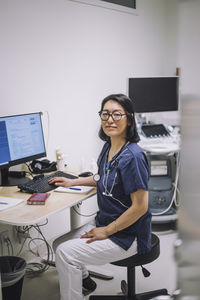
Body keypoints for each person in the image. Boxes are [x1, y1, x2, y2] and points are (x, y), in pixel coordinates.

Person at [48, 93, 151, 300]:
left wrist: (107, 231)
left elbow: (140, 207)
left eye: (116, 114)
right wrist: (72, 182)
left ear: (129, 118)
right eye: (105, 114)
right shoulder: (110, 146)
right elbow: (103, 177)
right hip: (105, 222)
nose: (110, 120)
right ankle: (85, 281)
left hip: (128, 235)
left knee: (66, 253)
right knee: (60, 244)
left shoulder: (133, 157)